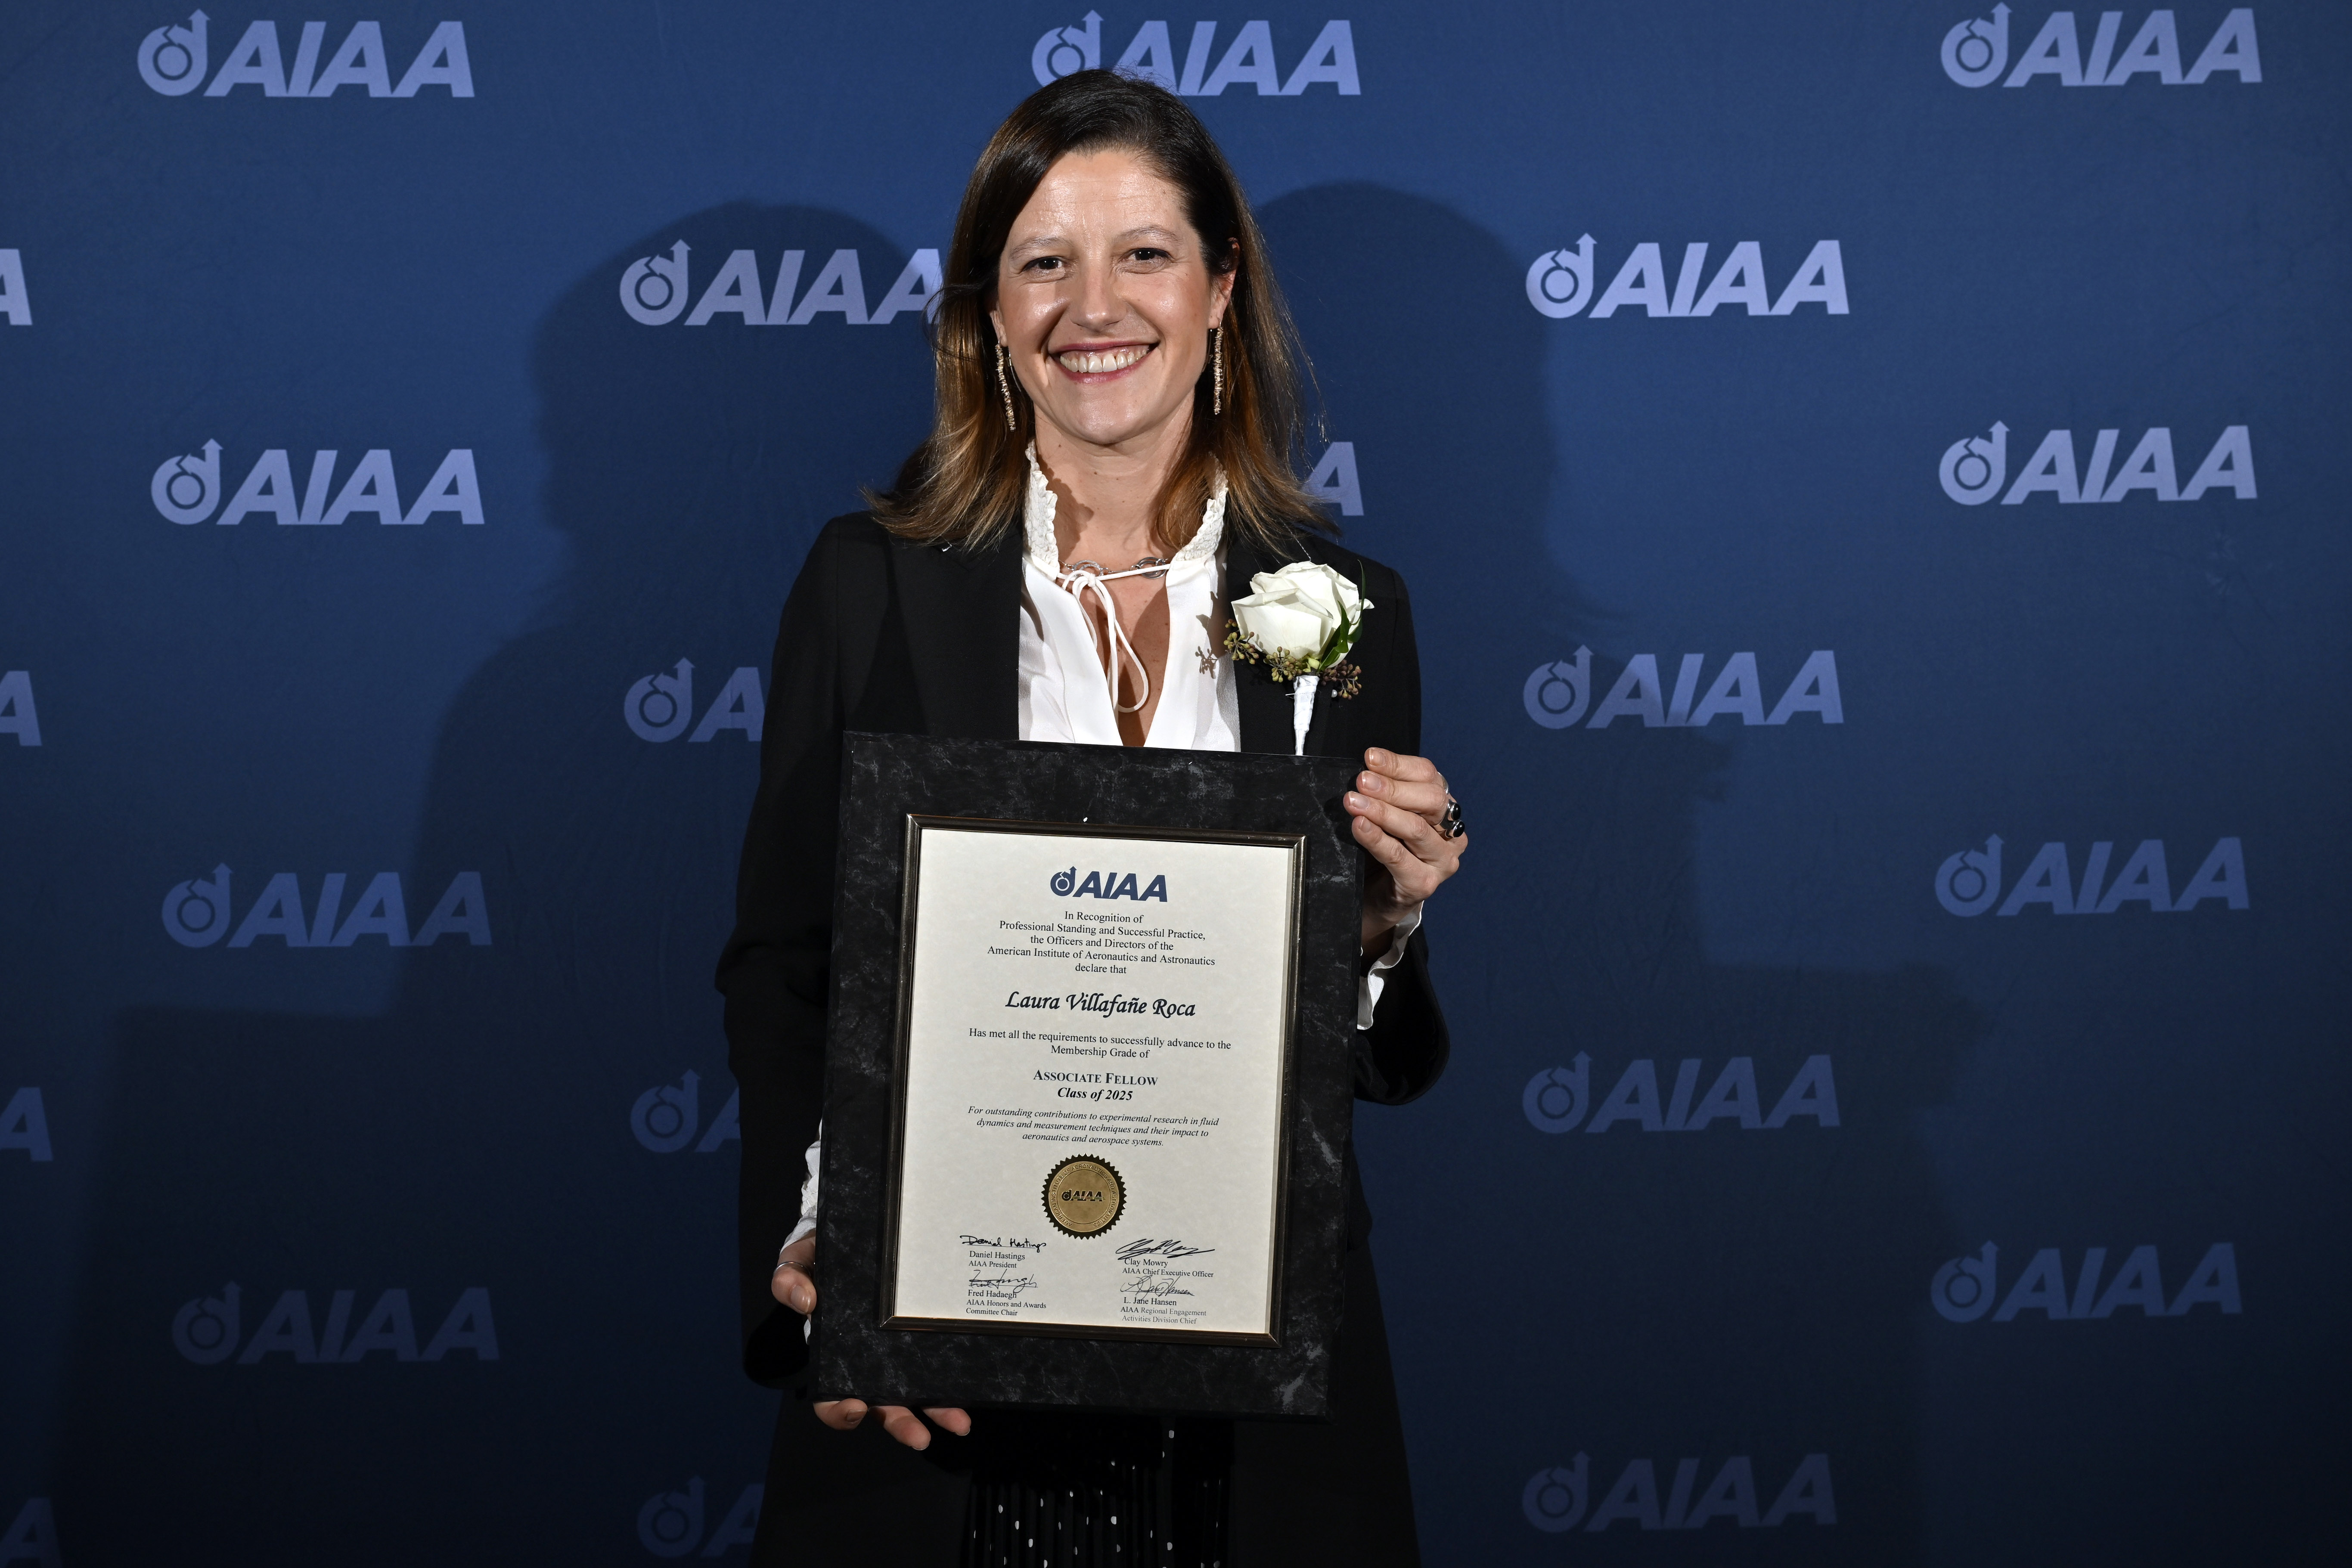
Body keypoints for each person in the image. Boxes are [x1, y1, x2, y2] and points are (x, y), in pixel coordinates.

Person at [715, 69, 1466, 1567]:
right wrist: (828, 1251)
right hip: (942, 1362)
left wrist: (1380, 929)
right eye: (1042, 260)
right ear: (989, 313)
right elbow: (790, 965)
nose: (1091, 303)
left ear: (1220, 291)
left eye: (1144, 254)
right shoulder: (866, 581)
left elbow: (1375, 1063)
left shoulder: (1349, 609)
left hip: (1251, 1390)